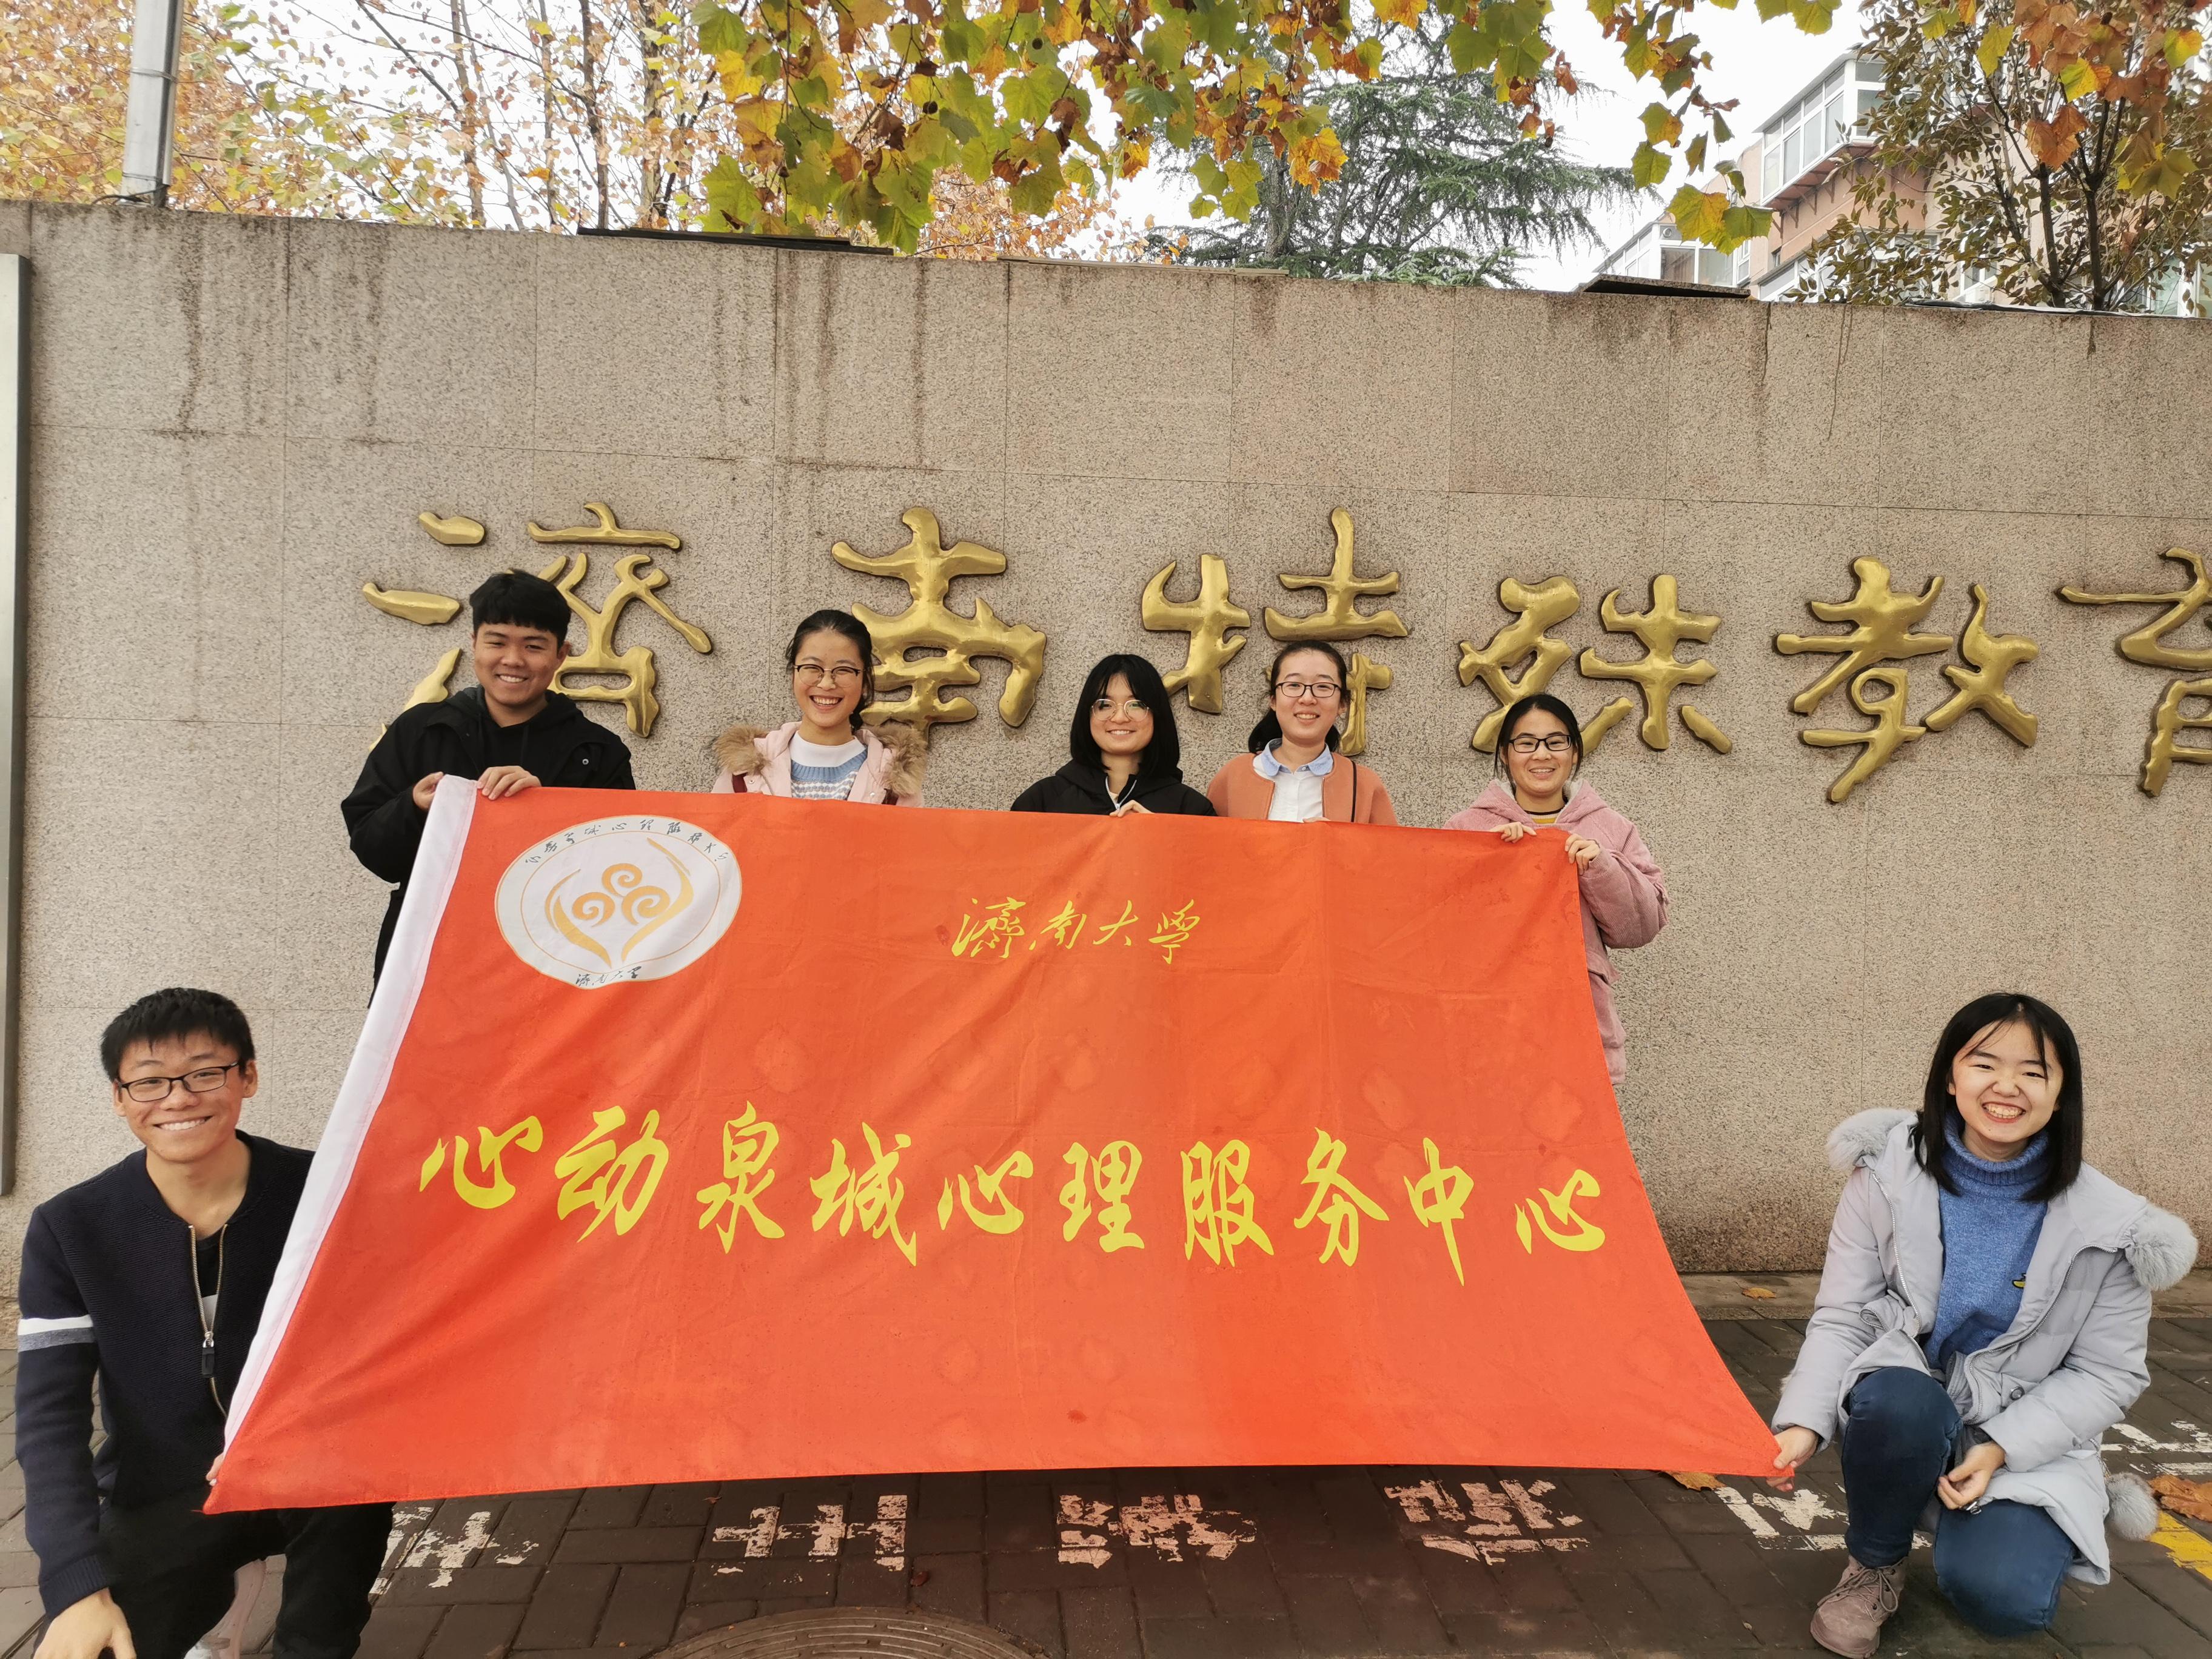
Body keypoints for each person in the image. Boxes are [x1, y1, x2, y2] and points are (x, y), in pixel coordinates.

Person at [1768, 993, 2194, 1657]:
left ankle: (2052, 1507)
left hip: (2019, 1424)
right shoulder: (1885, 1172)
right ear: (1950, 1075)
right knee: (1897, 1402)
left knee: (2005, 1603)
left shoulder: (2113, 1226)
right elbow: (1846, 1314)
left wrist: (2001, 1446)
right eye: (1985, 1063)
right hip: (1911, 1402)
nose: (2006, 1086)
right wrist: (1805, 1419)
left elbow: (2106, 1374)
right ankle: (1876, 1561)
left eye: (2033, 1071)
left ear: (2061, 1092)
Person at [16, 988, 394, 1659]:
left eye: (205, 1073)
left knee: (323, 1616)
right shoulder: (71, 1227)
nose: (178, 1098)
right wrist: (75, 1585)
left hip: (314, 1471)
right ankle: (208, 1604)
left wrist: (292, 1434)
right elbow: (50, 1418)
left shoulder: (325, 1192)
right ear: (119, 1098)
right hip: (164, 1489)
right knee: (98, 1645)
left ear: (248, 1076)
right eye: (150, 1081)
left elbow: (389, 1343)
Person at [343, 570, 635, 979]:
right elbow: (373, 852)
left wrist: (547, 808)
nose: (512, 660)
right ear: (474, 644)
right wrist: (413, 806)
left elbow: (617, 870)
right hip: (429, 953)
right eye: (497, 642)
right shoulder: (420, 730)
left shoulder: (597, 750)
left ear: (561, 655)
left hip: (550, 960)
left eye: (533, 646)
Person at [1443, 692, 1664, 1094]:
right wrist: (1487, 863)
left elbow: (1642, 927)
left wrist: (1602, 867)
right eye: (1526, 743)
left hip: (1579, 1030)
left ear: (1574, 751)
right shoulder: (1467, 828)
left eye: (1555, 742)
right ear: (1506, 754)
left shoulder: (1610, 828)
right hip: (1486, 1031)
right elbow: (1436, 930)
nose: (1541, 754)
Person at [711, 610, 923, 803]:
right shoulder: (744, 771)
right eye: (812, 667)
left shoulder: (894, 780)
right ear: (793, 675)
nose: (827, 684)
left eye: (844, 670)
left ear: (865, 683)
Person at [1205, 643, 1396, 824]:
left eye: (1323, 686)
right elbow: (1208, 844)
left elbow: (1390, 848)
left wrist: (1339, 841)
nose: (1307, 698)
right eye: (1294, 685)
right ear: (1273, 700)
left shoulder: (1364, 785)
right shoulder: (1233, 776)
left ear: (1342, 704)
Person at [1011, 654, 1214, 817]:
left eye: (1136, 704)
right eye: (1104, 705)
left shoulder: (1192, 809)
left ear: (1158, 715)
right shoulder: (1041, 801)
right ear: (1087, 716)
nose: (1119, 718)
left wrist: (1160, 834)